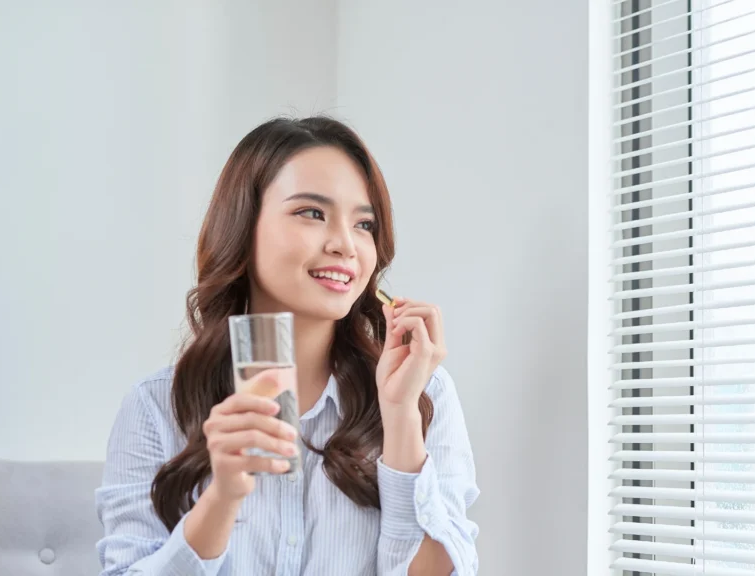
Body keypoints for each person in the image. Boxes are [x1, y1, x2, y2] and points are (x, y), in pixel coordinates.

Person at [95, 116, 479, 575]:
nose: (345, 245)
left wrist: (399, 419)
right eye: (312, 213)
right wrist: (221, 499)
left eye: (364, 224)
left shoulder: (423, 394)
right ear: (243, 226)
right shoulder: (156, 406)